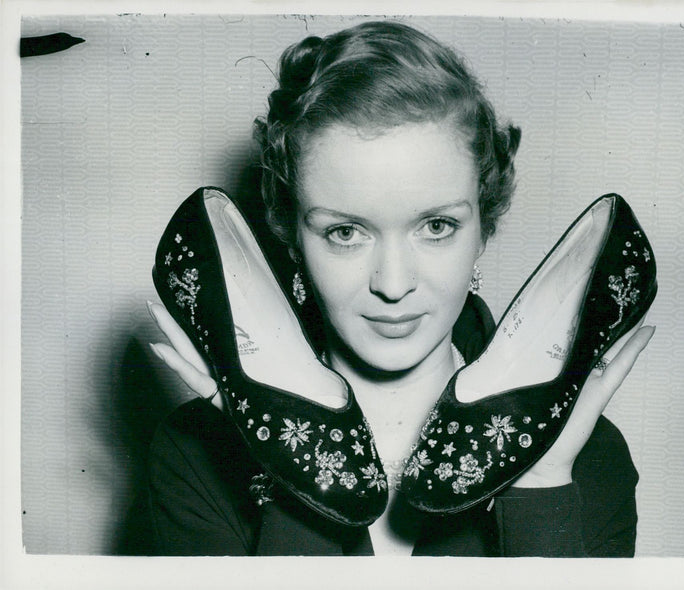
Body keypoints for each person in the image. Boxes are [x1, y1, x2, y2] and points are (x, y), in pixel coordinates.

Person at [145, 20, 654, 556]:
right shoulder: (196, 454)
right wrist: (296, 462)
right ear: (292, 236)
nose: (393, 285)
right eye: (345, 232)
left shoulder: (584, 453)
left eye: (436, 226)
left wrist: (541, 479)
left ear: (485, 225)